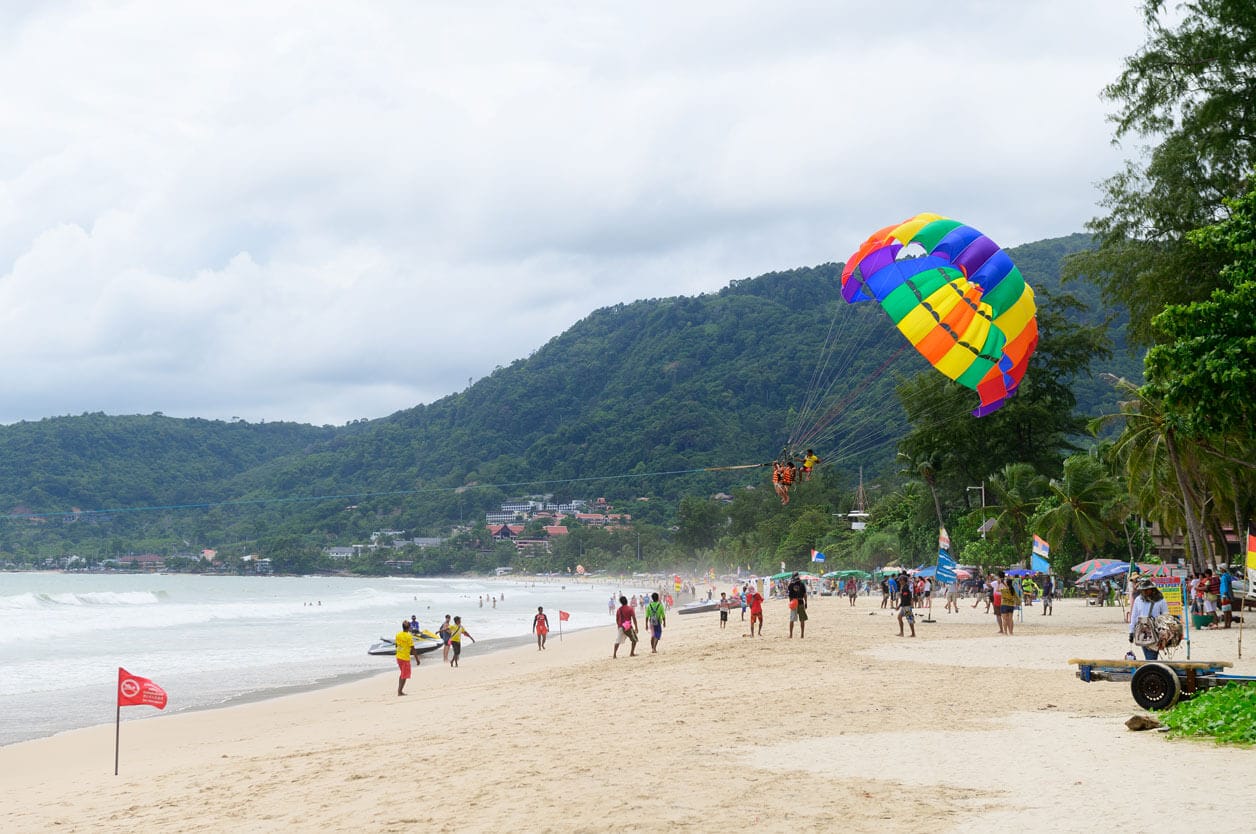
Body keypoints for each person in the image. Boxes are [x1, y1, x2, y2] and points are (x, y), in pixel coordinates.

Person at [1129, 578, 1169, 659]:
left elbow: (1166, 616)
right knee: (1148, 656)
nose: (1145, 592)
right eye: (1143, 590)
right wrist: (1131, 632)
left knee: (1151, 657)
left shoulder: (1161, 600)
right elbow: (1134, 616)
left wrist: (1164, 634)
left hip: (1155, 632)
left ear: (1152, 589)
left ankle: (1151, 669)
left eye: (1147, 590)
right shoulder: (1138, 600)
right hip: (1142, 632)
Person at [394, 619, 417, 696]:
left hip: (399, 657)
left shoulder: (398, 634)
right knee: (404, 675)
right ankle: (399, 691)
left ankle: (399, 691)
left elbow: (396, 645)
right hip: (405, 658)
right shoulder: (409, 636)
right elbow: (413, 648)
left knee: (402, 674)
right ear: (409, 627)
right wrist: (417, 659)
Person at [786, 572, 808, 638]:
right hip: (801, 602)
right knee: (802, 619)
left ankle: (791, 635)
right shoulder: (802, 584)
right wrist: (806, 602)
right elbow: (805, 595)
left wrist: (790, 603)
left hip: (793, 602)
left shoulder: (790, 585)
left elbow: (789, 596)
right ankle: (802, 635)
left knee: (792, 619)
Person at [896, 573, 915, 637]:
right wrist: (900, 605)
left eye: (900, 580)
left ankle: (913, 633)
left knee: (910, 620)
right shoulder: (904, 587)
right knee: (900, 617)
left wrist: (899, 606)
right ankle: (902, 633)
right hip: (904, 605)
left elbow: (905, 598)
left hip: (907, 606)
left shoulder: (905, 588)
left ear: (903, 581)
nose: (899, 582)